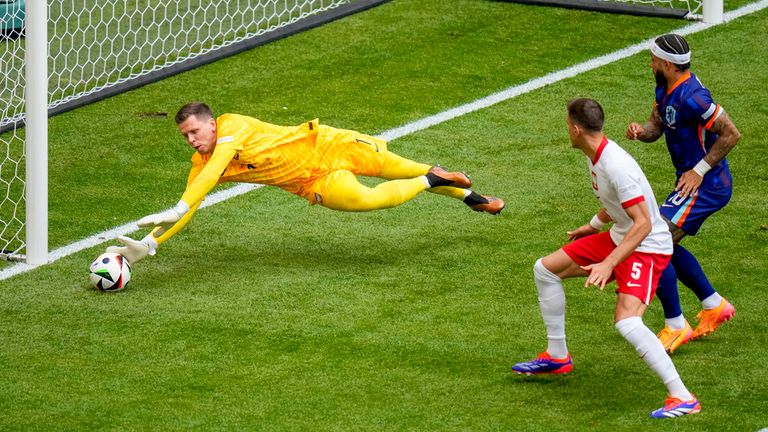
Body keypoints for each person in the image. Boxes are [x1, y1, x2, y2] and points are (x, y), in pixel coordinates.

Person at [106, 102, 505, 263]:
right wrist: (153, 242)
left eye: (195, 131)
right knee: (368, 202)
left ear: (211, 123)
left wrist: (176, 206)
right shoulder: (203, 160)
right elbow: (193, 201)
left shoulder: (233, 128)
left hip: (330, 144)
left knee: (402, 169)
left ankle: (471, 195)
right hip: (311, 181)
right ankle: (433, 179)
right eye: (186, 137)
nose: (193, 140)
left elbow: (210, 176)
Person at [512, 98, 699, 419]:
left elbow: (642, 223)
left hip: (648, 247)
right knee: (545, 269)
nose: (566, 130)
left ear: (575, 128)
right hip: (621, 236)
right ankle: (558, 357)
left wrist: (609, 262)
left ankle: (683, 396)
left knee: (627, 321)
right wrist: (594, 225)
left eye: (566, 124)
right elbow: (616, 201)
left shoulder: (615, 165)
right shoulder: (596, 153)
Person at [626, 34, 740, 354]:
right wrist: (641, 132)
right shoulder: (664, 88)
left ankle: (676, 326)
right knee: (663, 241)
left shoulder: (695, 97)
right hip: (690, 183)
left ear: (666, 64)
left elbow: (732, 133)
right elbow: (657, 127)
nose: (649, 64)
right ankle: (713, 304)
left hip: (707, 185)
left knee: (653, 240)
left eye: (652, 59)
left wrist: (699, 170)